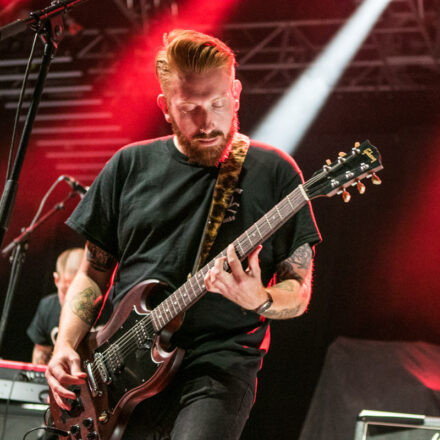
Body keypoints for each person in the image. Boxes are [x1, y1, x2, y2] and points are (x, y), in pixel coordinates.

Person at [46, 29, 321, 439]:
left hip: (217, 368)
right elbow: (93, 272)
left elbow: (298, 291)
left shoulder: (275, 173)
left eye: (218, 103)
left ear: (237, 94)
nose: (208, 122)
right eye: (190, 108)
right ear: (166, 107)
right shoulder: (128, 166)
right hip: (117, 363)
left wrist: (260, 298)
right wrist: (66, 345)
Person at [27, 248, 84, 365]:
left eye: (77, 295)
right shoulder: (47, 307)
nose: (70, 302)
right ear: (56, 279)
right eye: (65, 292)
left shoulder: (110, 307)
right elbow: (40, 361)